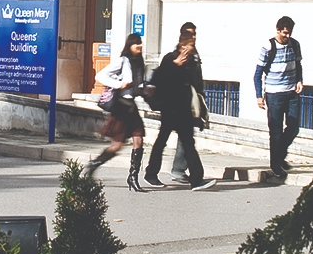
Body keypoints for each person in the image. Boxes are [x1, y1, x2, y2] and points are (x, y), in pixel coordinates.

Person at [144, 31, 217, 190]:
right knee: (162, 141)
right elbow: (159, 80)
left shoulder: (192, 61)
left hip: (183, 110)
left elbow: (194, 84)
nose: (193, 48)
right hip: (170, 108)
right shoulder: (170, 58)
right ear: (183, 45)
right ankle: (151, 174)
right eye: (191, 44)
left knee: (188, 143)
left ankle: (196, 180)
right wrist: (175, 65)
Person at [88, 33, 149, 192]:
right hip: (121, 108)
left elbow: (138, 86)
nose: (139, 46)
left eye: (140, 43)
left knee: (139, 139)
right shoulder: (123, 61)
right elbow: (100, 75)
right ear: (130, 45)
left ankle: (133, 178)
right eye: (136, 44)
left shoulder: (139, 63)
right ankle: (93, 165)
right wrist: (119, 84)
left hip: (131, 107)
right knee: (116, 146)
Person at [254, 15, 303, 182]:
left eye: (289, 33)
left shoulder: (294, 45)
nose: (287, 37)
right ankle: (276, 166)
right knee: (275, 131)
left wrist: (299, 80)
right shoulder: (268, 46)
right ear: (278, 30)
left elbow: (298, 65)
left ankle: (279, 155)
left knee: (293, 127)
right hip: (274, 94)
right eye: (284, 33)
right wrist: (259, 96)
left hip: (291, 92)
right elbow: (258, 74)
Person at [169, 22, 199, 183]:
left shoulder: (194, 54)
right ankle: (180, 170)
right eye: (189, 34)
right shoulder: (177, 54)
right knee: (186, 138)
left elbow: (196, 78)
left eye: (194, 34)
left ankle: (180, 170)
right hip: (178, 102)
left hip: (189, 100)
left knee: (186, 137)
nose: (193, 37)